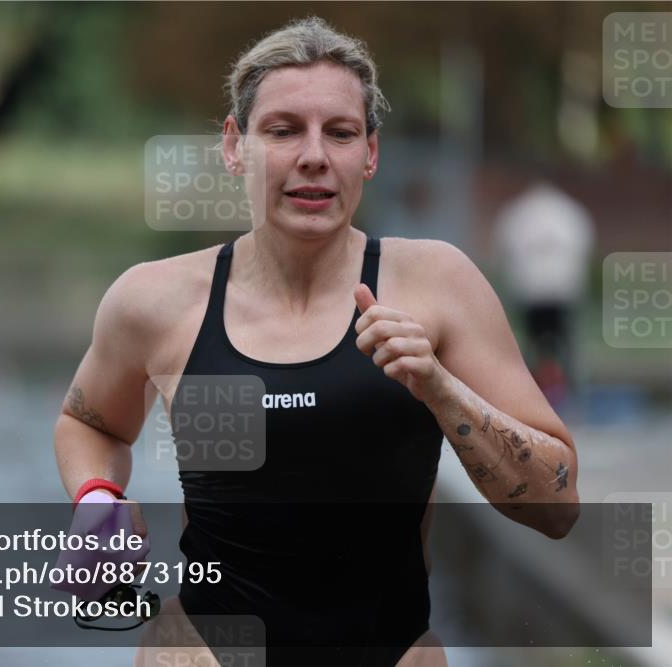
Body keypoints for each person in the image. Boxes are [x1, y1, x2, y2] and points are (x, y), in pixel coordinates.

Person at [54, 16, 579, 667]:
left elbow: (558, 508)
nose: (313, 156)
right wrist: (97, 495)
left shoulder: (438, 284)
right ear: (234, 145)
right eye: (282, 130)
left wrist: (441, 390)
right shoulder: (157, 300)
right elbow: (89, 420)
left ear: (370, 153)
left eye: (340, 132)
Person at [493, 180, 595, 407]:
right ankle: (570, 395)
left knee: (534, 346)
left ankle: (532, 395)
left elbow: (508, 252)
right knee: (564, 347)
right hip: (560, 293)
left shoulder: (520, 215)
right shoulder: (568, 213)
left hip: (533, 293)